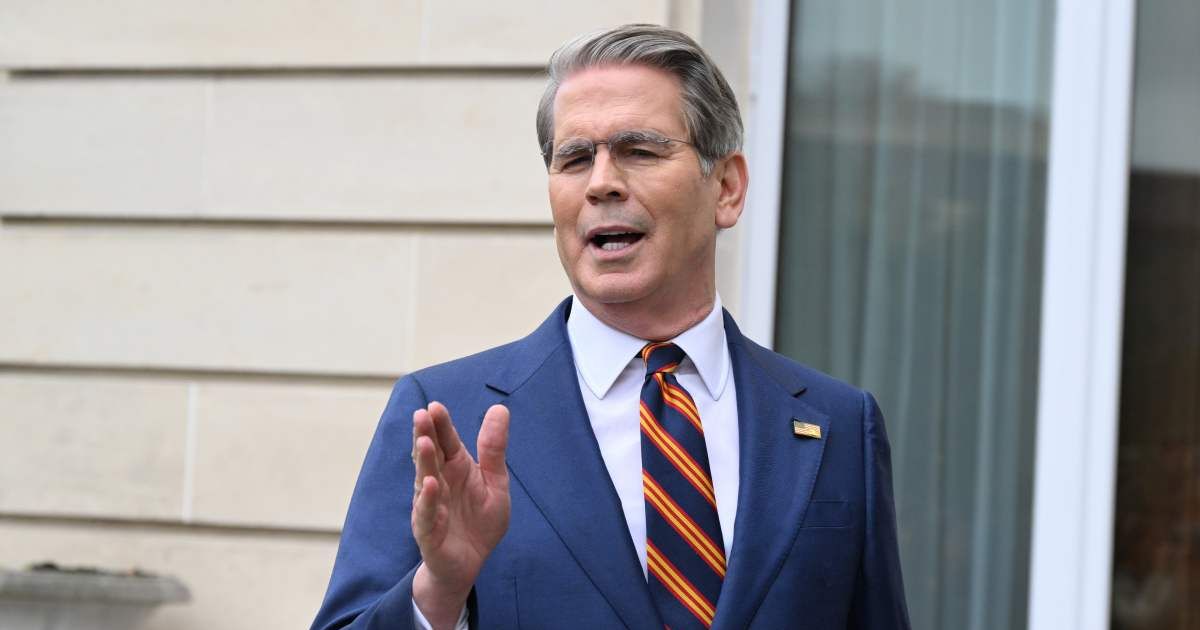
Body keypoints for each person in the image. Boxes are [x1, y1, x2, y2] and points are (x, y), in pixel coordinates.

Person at [311, 24, 909, 630]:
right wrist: (437, 591)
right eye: (574, 159)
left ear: (726, 188)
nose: (601, 183)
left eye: (639, 151)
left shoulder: (840, 426)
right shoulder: (445, 417)